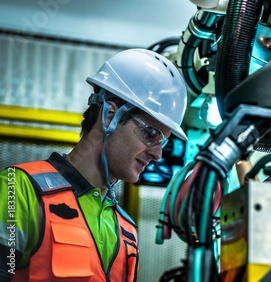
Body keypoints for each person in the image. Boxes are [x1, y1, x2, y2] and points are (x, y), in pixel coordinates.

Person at [0, 49, 188, 281]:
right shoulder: (19, 190)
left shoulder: (126, 232)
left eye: (164, 142)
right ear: (110, 115)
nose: (158, 155)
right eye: (150, 133)